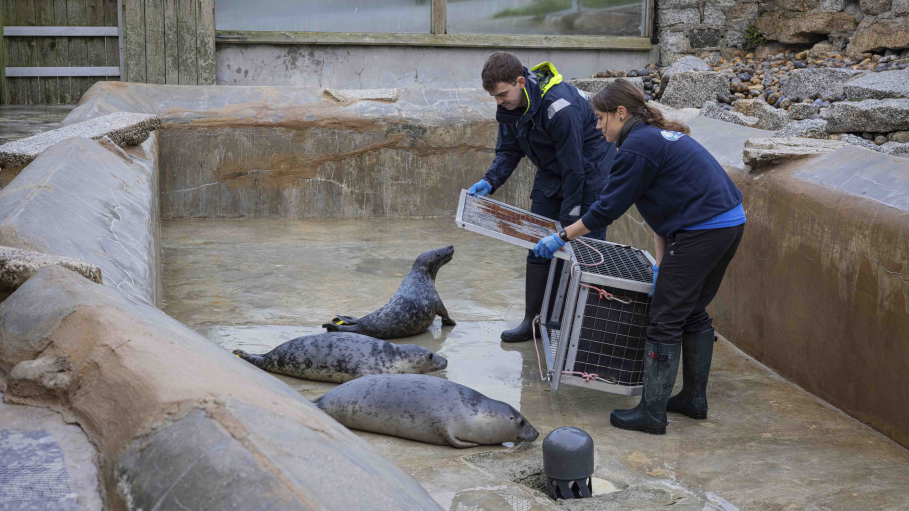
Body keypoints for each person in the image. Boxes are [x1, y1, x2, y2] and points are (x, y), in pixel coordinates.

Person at [532, 79, 746, 435]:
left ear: (621, 112)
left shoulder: (636, 148)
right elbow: (659, 217)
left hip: (703, 231)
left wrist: (560, 236)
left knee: (664, 318)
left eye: (601, 118)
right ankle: (693, 400)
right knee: (690, 310)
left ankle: (652, 412)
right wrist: (661, 265)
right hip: (728, 223)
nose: (597, 126)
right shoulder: (650, 138)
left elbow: (605, 210)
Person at [469, 51, 616, 343]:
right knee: (537, 242)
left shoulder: (560, 107)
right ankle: (533, 321)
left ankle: (584, 331)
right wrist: (490, 180)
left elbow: (575, 169)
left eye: (502, 95)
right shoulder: (511, 107)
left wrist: (566, 226)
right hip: (552, 170)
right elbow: (510, 150)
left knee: (582, 250)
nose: (499, 102)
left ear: (520, 81)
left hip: (588, 174)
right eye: (495, 97)